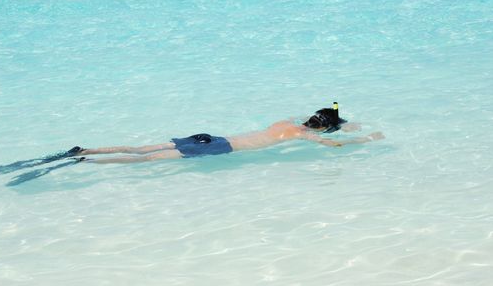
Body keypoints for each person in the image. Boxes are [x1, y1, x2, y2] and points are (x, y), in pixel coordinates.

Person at [75, 102, 384, 164]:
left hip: (213, 137)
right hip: (219, 150)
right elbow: (336, 146)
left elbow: (305, 116)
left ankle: (87, 150)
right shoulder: (298, 136)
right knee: (149, 160)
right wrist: (364, 137)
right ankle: (88, 163)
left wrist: (332, 115)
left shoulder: (282, 124)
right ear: (324, 127)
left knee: (141, 148)